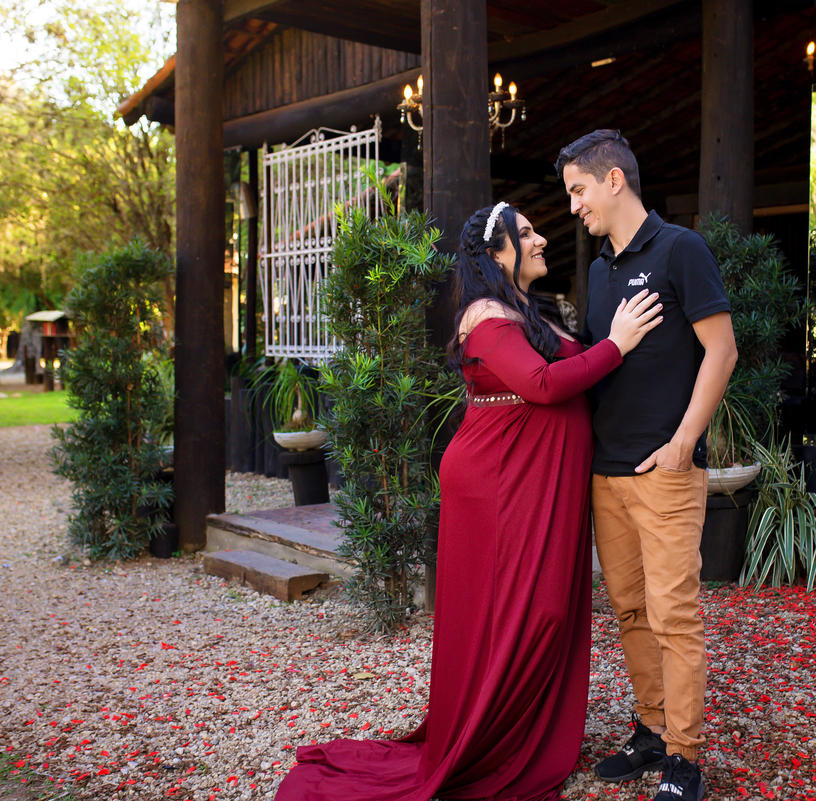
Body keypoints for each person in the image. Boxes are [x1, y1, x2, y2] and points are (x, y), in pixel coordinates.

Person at [274, 202, 663, 801]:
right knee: (525, 610)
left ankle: (522, 728)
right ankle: (492, 735)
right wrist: (617, 344)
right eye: (526, 233)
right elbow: (540, 385)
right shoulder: (485, 317)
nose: (540, 239)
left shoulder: (528, 310)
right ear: (496, 253)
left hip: (537, 481)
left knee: (547, 608)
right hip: (500, 484)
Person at [557, 129, 738, 801]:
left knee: (673, 616)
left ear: (614, 180)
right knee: (631, 611)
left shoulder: (681, 249)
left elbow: (722, 351)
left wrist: (685, 442)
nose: (574, 205)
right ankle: (654, 729)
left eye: (578, 189)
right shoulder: (600, 270)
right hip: (606, 473)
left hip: (665, 472)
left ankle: (685, 756)